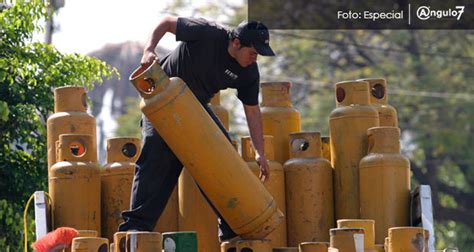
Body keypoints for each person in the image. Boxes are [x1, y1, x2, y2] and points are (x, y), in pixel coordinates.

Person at [119, 16, 275, 242]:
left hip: (196, 106)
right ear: (237, 43)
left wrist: (260, 152)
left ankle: (231, 230)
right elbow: (167, 23)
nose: (255, 58)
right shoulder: (207, 33)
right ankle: (135, 228)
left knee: (222, 157)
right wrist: (148, 50)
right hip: (163, 99)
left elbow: (252, 111)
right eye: (253, 52)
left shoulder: (248, 72)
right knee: (157, 158)